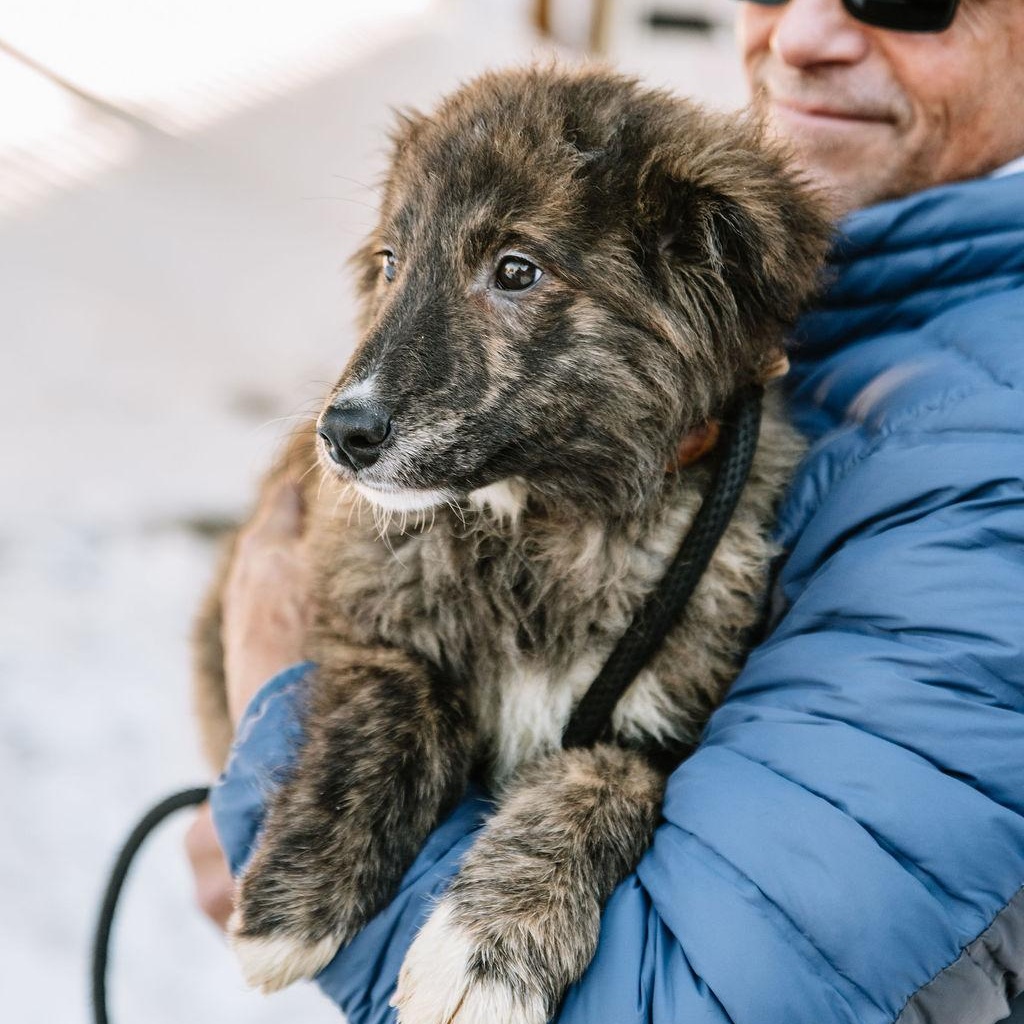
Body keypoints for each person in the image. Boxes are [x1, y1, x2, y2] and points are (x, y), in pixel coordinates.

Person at [186, 0, 1024, 1020]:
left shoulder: (984, 470)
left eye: (908, 0)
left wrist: (276, 705)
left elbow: (693, 976)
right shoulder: (850, 306)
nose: (801, 35)